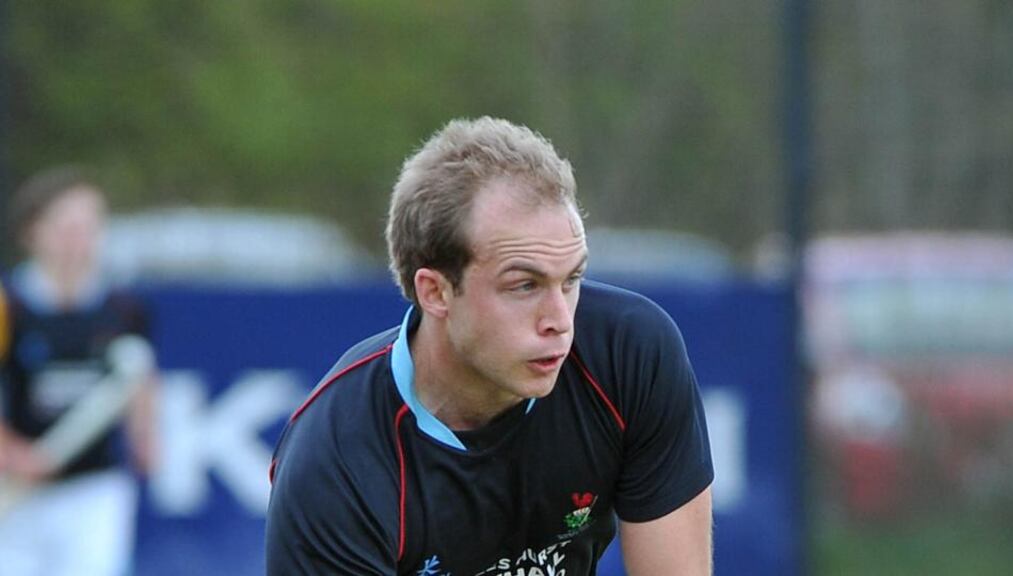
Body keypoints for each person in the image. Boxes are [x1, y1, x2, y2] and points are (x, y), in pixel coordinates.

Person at [266, 117, 714, 575]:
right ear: (435, 293)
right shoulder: (336, 461)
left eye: (572, 279)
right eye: (524, 285)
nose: (560, 321)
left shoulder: (629, 354)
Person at [0, 166, 157, 576]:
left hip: (94, 487)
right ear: (33, 231)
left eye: (89, 227)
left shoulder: (123, 309)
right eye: (66, 226)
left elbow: (139, 376)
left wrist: (145, 433)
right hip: (16, 494)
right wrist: (13, 453)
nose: (79, 240)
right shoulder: (9, 307)